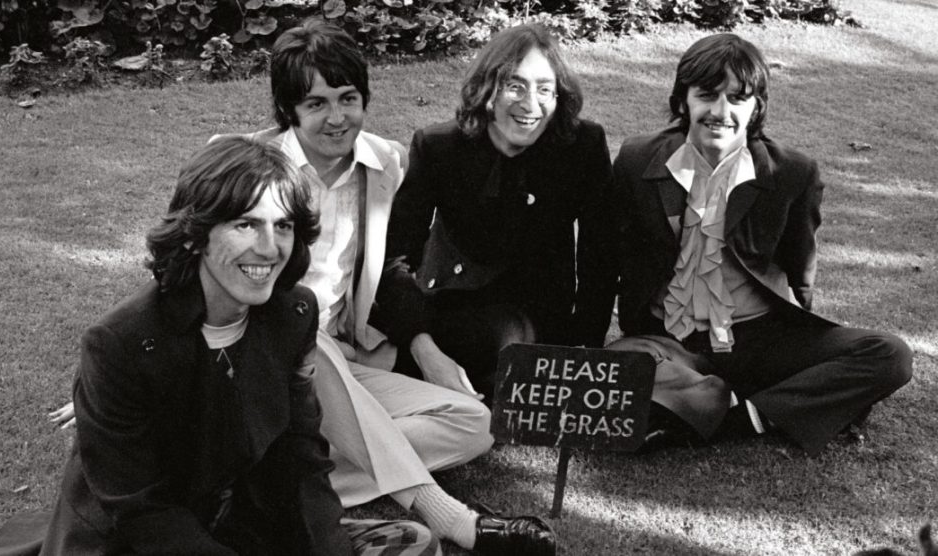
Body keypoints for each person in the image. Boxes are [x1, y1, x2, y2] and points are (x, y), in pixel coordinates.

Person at [49, 20, 554, 556]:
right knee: (303, 335)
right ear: (289, 110)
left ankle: (261, 488)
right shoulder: (241, 164)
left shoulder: (386, 163)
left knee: (474, 423)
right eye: (316, 103)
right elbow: (188, 261)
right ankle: (446, 514)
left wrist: (424, 349)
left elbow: (392, 268)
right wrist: (118, 382)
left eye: (348, 98)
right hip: (270, 346)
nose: (336, 117)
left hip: (335, 350)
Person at [0, 137, 438, 555]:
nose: (269, 247)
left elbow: (301, 459)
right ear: (194, 233)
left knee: (411, 543)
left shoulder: (293, 315)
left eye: (283, 226)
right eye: (245, 224)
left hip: (238, 523)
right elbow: (141, 511)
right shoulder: (119, 345)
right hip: (133, 542)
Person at [610, 33, 913, 455]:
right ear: (683, 101)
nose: (721, 111)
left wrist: (806, 351)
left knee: (890, 355)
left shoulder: (791, 174)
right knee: (618, 367)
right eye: (707, 95)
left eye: (738, 98)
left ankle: (733, 415)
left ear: (756, 109)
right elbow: (603, 258)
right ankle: (766, 405)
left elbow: (800, 264)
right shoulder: (637, 160)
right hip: (669, 341)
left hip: (759, 337)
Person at [374, 23, 619, 407]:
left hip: (542, 311)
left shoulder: (582, 146)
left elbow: (599, 256)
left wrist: (584, 352)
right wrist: (425, 350)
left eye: (544, 89)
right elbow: (394, 259)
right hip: (457, 304)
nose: (531, 105)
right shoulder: (439, 147)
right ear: (487, 90)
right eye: (515, 86)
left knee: (517, 347)